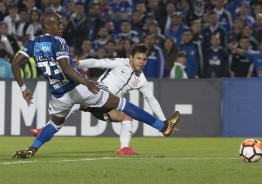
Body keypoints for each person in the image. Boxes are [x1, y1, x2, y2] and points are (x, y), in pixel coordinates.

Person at [11, 12, 180, 159]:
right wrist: (87, 82)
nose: (62, 26)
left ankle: (32, 149)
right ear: (47, 26)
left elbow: (15, 64)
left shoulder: (32, 44)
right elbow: (66, 67)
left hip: (58, 96)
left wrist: (23, 88)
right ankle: (163, 126)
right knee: (123, 104)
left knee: (54, 125)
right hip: (77, 89)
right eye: (58, 23)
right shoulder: (59, 42)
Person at [32, 43, 169, 155]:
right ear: (131, 57)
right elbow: (98, 63)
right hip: (98, 94)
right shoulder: (120, 63)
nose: (141, 62)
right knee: (76, 100)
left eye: (144, 59)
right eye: (138, 58)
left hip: (107, 107)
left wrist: (164, 119)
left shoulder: (141, 80)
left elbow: (151, 99)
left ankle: (124, 148)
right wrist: (79, 63)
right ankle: (45, 128)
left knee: (127, 117)